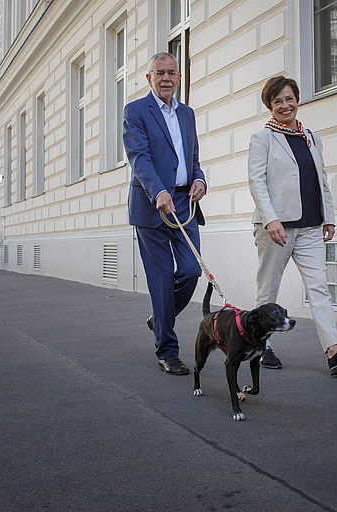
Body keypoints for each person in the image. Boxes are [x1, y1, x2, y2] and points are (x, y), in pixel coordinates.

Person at [247, 76, 337, 376]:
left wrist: (329, 217)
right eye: (278, 101)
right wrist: (271, 218)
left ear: (297, 100)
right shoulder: (262, 139)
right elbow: (256, 182)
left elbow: (321, 179)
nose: (285, 105)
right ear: (270, 106)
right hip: (276, 228)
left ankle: (335, 352)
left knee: (319, 289)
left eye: (289, 99)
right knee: (268, 289)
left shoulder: (311, 137)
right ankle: (262, 347)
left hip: (311, 225)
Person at [123, 52, 207, 376]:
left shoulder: (187, 114)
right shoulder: (135, 111)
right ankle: (167, 351)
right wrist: (157, 191)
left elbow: (194, 158)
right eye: (160, 73)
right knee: (160, 280)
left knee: (190, 270)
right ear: (149, 78)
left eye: (172, 72)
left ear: (179, 77)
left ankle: (160, 317)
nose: (166, 78)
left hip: (184, 204)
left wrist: (200, 180)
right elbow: (139, 158)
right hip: (151, 206)